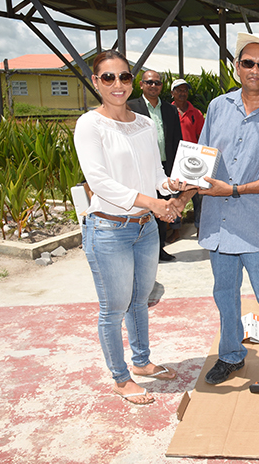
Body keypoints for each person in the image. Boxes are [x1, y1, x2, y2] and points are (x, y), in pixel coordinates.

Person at [170, 32, 259, 413]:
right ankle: (231, 355)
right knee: (224, 297)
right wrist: (184, 192)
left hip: (258, 227)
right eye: (248, 62)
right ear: (237, 67)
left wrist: (234, 189)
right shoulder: (217, 107)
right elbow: (204, 160)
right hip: (218, 223)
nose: (255, 70)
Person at [74, 50, 181, 405]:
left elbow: (155, 177)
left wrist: (175, 185)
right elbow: (101, 183)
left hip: (144, 229)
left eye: (124, 77)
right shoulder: (90, 124)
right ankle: (120, 378)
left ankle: (142, 362)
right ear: (96, 82)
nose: (118, 84)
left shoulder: (145, 124)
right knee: (114, 308)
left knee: (140, 301)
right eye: (108, 78)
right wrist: (153, 203)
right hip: (108, 229)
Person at [128, 70, 183, 261]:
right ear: (141, 85)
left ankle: (158, 250)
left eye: (157, 83)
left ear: (162, 86)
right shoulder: (130, 107)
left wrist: (177, 168)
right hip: (140, 168)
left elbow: (177, 140)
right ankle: (139, 251)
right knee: (142, 208)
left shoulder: (170, 109)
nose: (153, 86)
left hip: (165, 168)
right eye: (149, 82)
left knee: (162, 208)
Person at [171, 78, 206, 231]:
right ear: (172, 93)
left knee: (198, 196)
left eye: (185, 90)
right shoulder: (167, 111)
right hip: (174, 161)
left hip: (194, 161)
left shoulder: (195, 113)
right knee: (175, 195)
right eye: (179, 90)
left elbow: (203, 136)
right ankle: (175, 229)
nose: (182, 93)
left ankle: (199, 227)